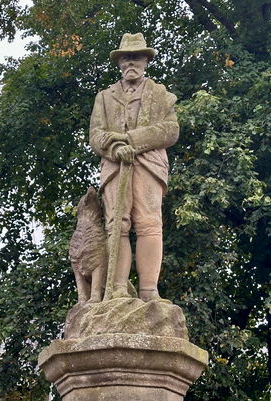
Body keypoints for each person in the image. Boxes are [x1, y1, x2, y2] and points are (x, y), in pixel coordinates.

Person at [89, 33, 179, 302]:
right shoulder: (104, 97)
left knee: (149, 224)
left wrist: (132, 141)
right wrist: (115, 148)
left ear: (145, 61)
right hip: (115, 167)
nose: (131, 62)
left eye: (136, 56)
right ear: (119, 62)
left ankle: (149, 291)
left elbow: (171, 130)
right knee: (117, 225)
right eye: (126, 57)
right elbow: (96, 134)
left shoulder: (159, 94)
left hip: (149, 164)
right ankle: (117, 289)